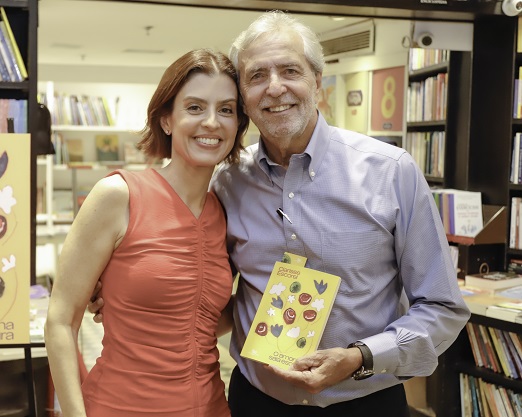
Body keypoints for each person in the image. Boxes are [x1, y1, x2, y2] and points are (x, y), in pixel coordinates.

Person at [90, 10, 470, 417]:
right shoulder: (227, 183)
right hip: (256, 401)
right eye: (256, 76)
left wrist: (360, 356)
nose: (274, 88)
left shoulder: (391, 172)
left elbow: (442, 306)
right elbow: (205, 287)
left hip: (365, 402)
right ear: (244, 98)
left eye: (290, 70)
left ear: (317, 82)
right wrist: (124, 292)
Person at [45, 48, 249, 417]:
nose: (211, 122)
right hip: (121, 406)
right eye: (195, 107)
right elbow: (61, 320)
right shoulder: (118, 195)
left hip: (212, 407)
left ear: (237, 125)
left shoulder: (225, 211)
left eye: (226, 110)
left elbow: (201, 319)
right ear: (166, 120)